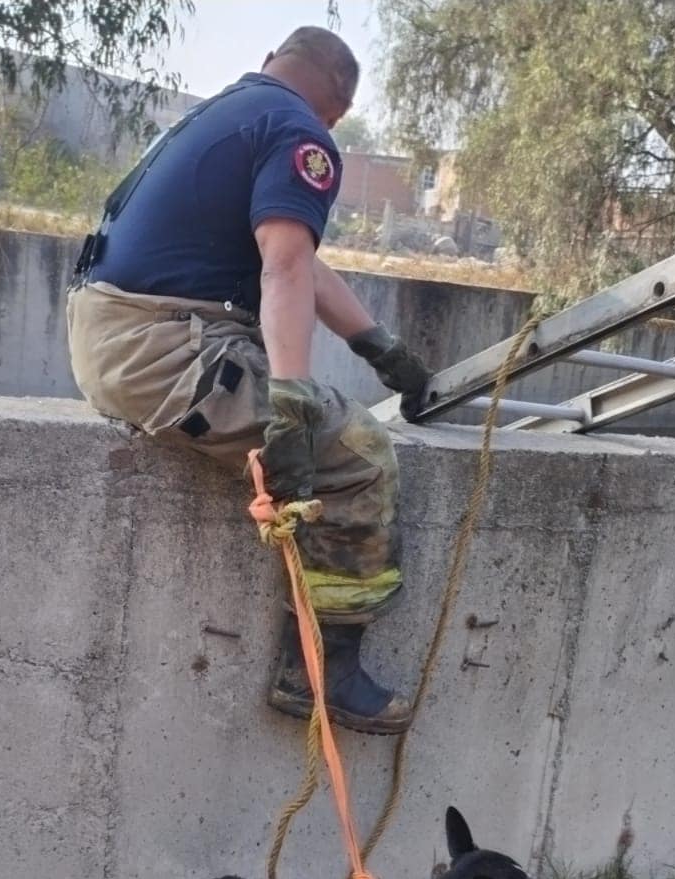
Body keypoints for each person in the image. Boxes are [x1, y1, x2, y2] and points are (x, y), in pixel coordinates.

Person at [66, 27, 431, 735]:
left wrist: (382, 350)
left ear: (272, 63)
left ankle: (321, 666)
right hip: (166, 350)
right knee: (357, 454)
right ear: (338, 105)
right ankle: (321, 674)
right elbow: (286, 268)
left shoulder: (228, 115)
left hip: (119, 339)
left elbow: (298, 261)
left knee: (330, 423)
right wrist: (293, 406)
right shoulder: (301, 134)